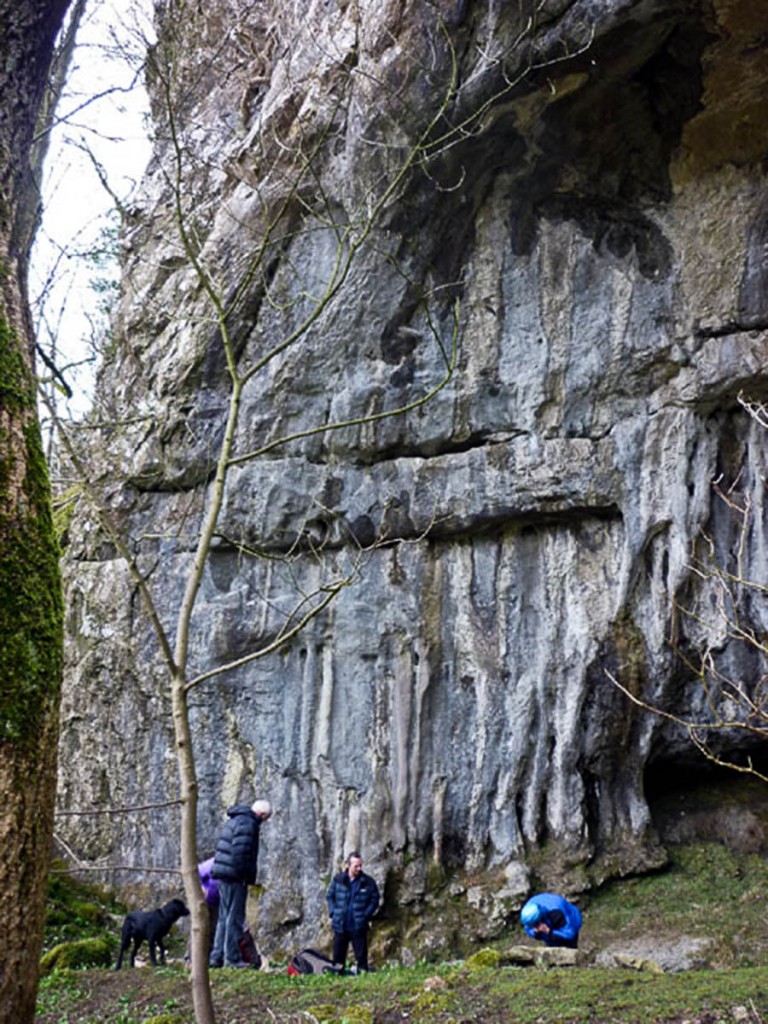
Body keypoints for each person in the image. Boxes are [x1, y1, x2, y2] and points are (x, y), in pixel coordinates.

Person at [209, 798, 272, 968]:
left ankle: (217, 957)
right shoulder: (248, 823)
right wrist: (245, 875)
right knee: (234, 918)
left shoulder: (235, 819)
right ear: (262, 814)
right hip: (235, 877)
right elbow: (241, 852)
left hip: (223, 874)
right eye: (265, 819)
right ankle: (232, 958)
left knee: (223, 917)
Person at [326, 851, 380, 973]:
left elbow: (375, 899)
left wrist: (366, 915)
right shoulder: (338, 880)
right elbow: (330, 896)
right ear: (348, 865)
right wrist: (333, 912)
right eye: (356, 866)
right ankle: (337, 976)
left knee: (361, 956)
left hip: (358, 925)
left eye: (360, 865)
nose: (359, 868)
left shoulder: (368, 882)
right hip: (341, 924)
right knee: (338, 956)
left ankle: (362, 975)